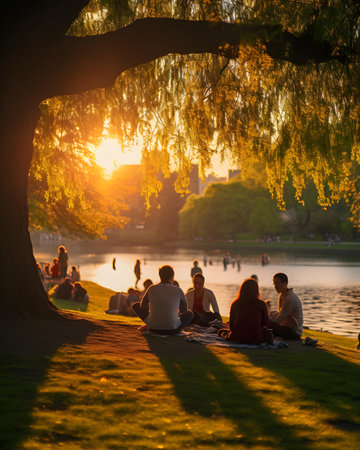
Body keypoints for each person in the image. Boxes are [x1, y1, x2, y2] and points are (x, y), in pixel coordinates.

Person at [132, 265, 194, 335]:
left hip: (153, 327)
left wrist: (152, 315)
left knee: (135, 306)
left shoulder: (151, 288)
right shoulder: (178, 290)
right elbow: (184, 310)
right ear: (172, 276)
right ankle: (168, 322)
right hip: (173, 329)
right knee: (190, 313)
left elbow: (143, 305)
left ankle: (152, 322)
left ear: (160, 276)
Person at [217, 278, 271, 344]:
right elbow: (266, 323)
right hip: (257, 338)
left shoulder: (235, 303)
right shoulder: (261, 304)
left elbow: (231, 325)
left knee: (221, 331)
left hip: (237, 337)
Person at [270, 272, 303, 340]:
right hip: (286, 328)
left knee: (267, 323)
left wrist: (265, 317)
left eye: (277, 283)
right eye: (274, 283)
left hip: (293, 333)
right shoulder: (282, 296)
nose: (275, 286)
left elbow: (278, 321)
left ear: (285, 283)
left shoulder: (289, 298)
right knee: (270, 316)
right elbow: (281, 314)